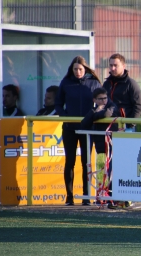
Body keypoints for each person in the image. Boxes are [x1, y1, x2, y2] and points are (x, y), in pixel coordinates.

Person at [55, 56, 102, 206]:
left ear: (85, 69)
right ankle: (69, 198)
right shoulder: (66, 82)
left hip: (88, 129)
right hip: (69, 128)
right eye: (75, 69)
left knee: (86, 163)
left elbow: (102, 102)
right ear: (72, 69)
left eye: (80, 69)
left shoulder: (94, 83)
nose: (78, 72)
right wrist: (65, 117)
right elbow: (58, 104)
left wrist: (96, 114)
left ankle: (86, 197)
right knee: (70, 162)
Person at [81, 87, 120, 208]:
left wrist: (96, 113)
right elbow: (84, 123)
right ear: (94, 100)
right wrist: (95, 112)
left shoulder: (112, 105)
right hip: (100, 145)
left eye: (105, 98)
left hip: (112, 145)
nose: (104, 101)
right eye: (100, 99)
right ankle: (100, 197)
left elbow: (107, 113)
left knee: (112, 171)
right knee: (100, 173)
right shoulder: (94, 108)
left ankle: (112, 197)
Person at [103, 53, 141, 130]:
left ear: (123, 66)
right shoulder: (106, 84)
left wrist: (130, 124)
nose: (112, 68)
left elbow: (138, 105)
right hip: (109, 125)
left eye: (116, 65)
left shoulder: (131, 84)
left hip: (125, 127)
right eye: (111, 65)